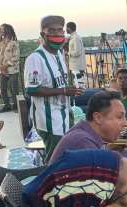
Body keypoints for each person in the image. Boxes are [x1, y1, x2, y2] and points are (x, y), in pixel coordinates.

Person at [24, 15, 83, 162]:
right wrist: (63, 91)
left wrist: (70, 91)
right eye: (52, 31)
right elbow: (32, 89)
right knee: (53, 161)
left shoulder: (59, 54)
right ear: (43, 34)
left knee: (65, 158)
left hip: (64, 116)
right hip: (49, 121)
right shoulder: (35, 58)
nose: (57, 34)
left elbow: (59, 83)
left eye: (60, 30)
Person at [50, 90, 127, 164]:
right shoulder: (81, 140)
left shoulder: (87, 134)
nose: (125, 123)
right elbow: (113, 175)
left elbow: (104, 157)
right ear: (98, 118)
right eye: (120, 117)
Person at [0, 23, 21, 112]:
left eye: (3, 29)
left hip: (12, 70)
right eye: (0, 29)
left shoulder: (14, 43)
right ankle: (7, 105)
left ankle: (16, 106)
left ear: (8, 30)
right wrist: (1, 67)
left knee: (13, 89)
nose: (1, 31)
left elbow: (16, 57)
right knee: (2, 89)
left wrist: (6, 65)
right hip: (2, 70)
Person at [66, 21, 87, 88]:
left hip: (77, 67)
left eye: (66, 28)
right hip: (76, 66)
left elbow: (77, 52)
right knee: (77, 85)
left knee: (79, 86)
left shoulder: (75, 38)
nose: (65, 29)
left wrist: (68, 53)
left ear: (69, 28)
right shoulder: (74, 37)